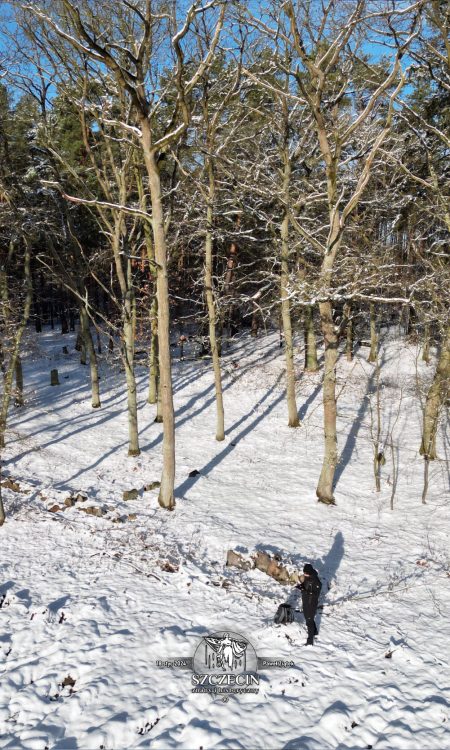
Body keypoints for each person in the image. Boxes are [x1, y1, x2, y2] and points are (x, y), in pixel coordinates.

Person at [297, 563, 322, 646]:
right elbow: (305, 585)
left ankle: (310, 641)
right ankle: (314, 631)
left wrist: (305, 591)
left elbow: (315, 594)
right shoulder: (307, 578)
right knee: (308, 618)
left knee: (309, 621)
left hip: (311, 603)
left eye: (306, 573)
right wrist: (301, 586)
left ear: (310, 572)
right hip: (306, 601)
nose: (304, 574)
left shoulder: (316, 581)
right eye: (304, 573)